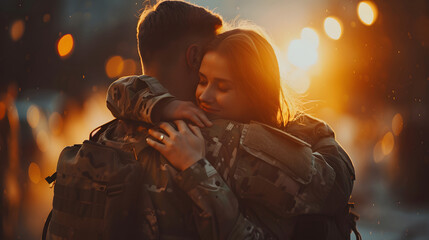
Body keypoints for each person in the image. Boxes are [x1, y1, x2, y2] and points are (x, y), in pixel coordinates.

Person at [106, 10, 358, 240]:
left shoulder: (119, 129)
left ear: (254, 92)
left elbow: (119, 92)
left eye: (223, 86)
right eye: (202, 80)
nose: (204, 95)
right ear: (193, 56)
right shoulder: (233, 141)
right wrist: (320, 133)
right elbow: (333, 186)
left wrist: (161, 105)